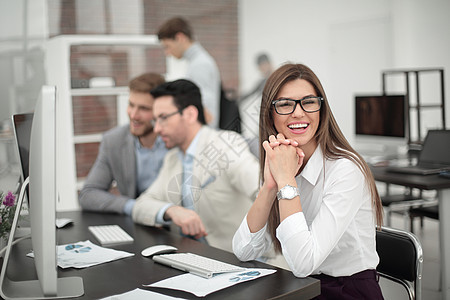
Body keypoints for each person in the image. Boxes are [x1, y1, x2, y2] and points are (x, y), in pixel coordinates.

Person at [232, 63, 384, 299]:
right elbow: (244, 250)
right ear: (270, 115)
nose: (298, 112)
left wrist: (285, 181)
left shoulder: (346, 170)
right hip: (303, 288)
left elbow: (304, 263)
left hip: (347, 291)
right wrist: (270, 186)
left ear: (321, 110)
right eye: (284, 104)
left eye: (309, 102)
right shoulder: (284, 164)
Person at [132, 79, 259, 252]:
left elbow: (263, 192)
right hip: (192, 259)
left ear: (190, 114)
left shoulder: (226, 145)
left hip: (239, 261)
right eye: (155, 120)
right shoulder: (173, 159)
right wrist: (172, 210)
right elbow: (140, 205)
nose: (157, 129)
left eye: (163, 118)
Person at [79, 73, 168, 215]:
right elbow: (88, 194)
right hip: (139, 223)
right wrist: (134, 207)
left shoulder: (177, 141)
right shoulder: (114, 141)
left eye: (144, 108)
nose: (133, 115)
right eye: (131, 105)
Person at [157, 17, 221, 128]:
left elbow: (208, 115)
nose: (167, 53)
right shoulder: (196, 62)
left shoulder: (200, 64)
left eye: (167, 46)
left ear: (180, 37)